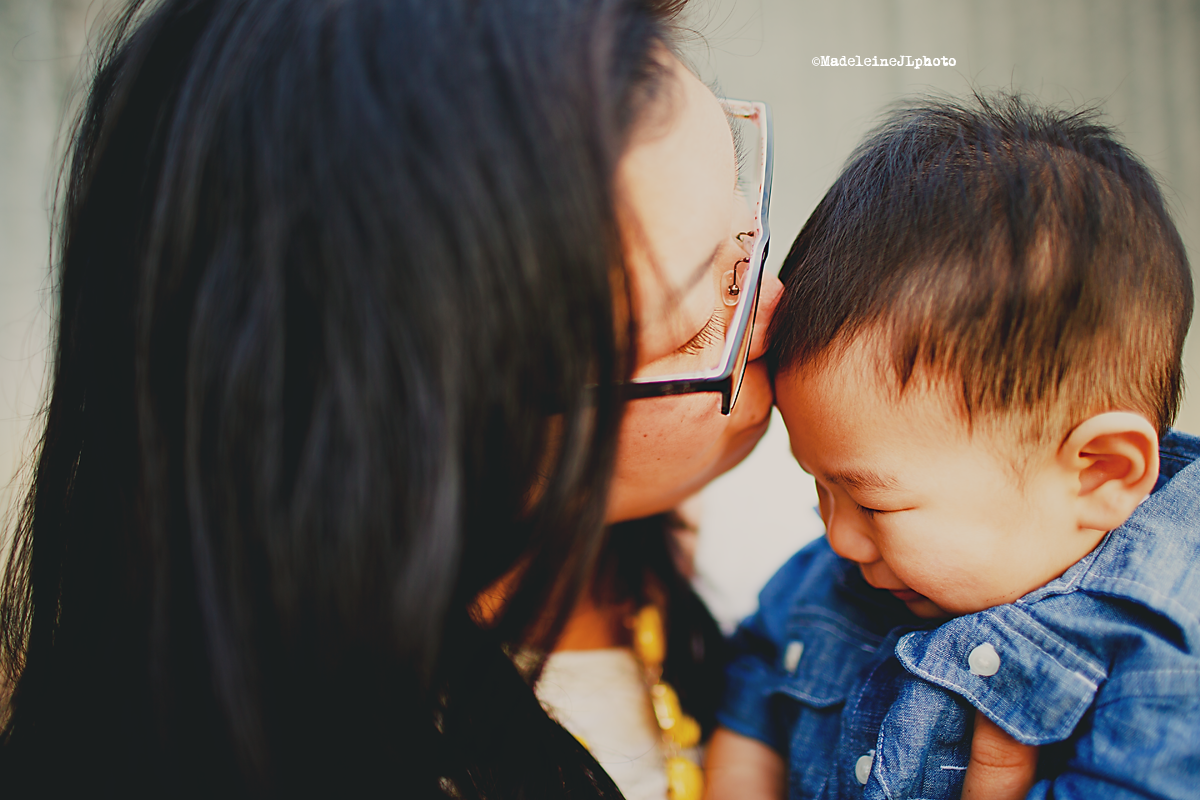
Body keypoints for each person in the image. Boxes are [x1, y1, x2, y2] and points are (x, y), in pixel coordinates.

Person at [705, 93, 1199, 800]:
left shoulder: (1163, 647)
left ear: (1098, 473)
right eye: (819, 486)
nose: (838, 537)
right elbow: (753, 690)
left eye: (875, 504)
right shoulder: (832, 582)